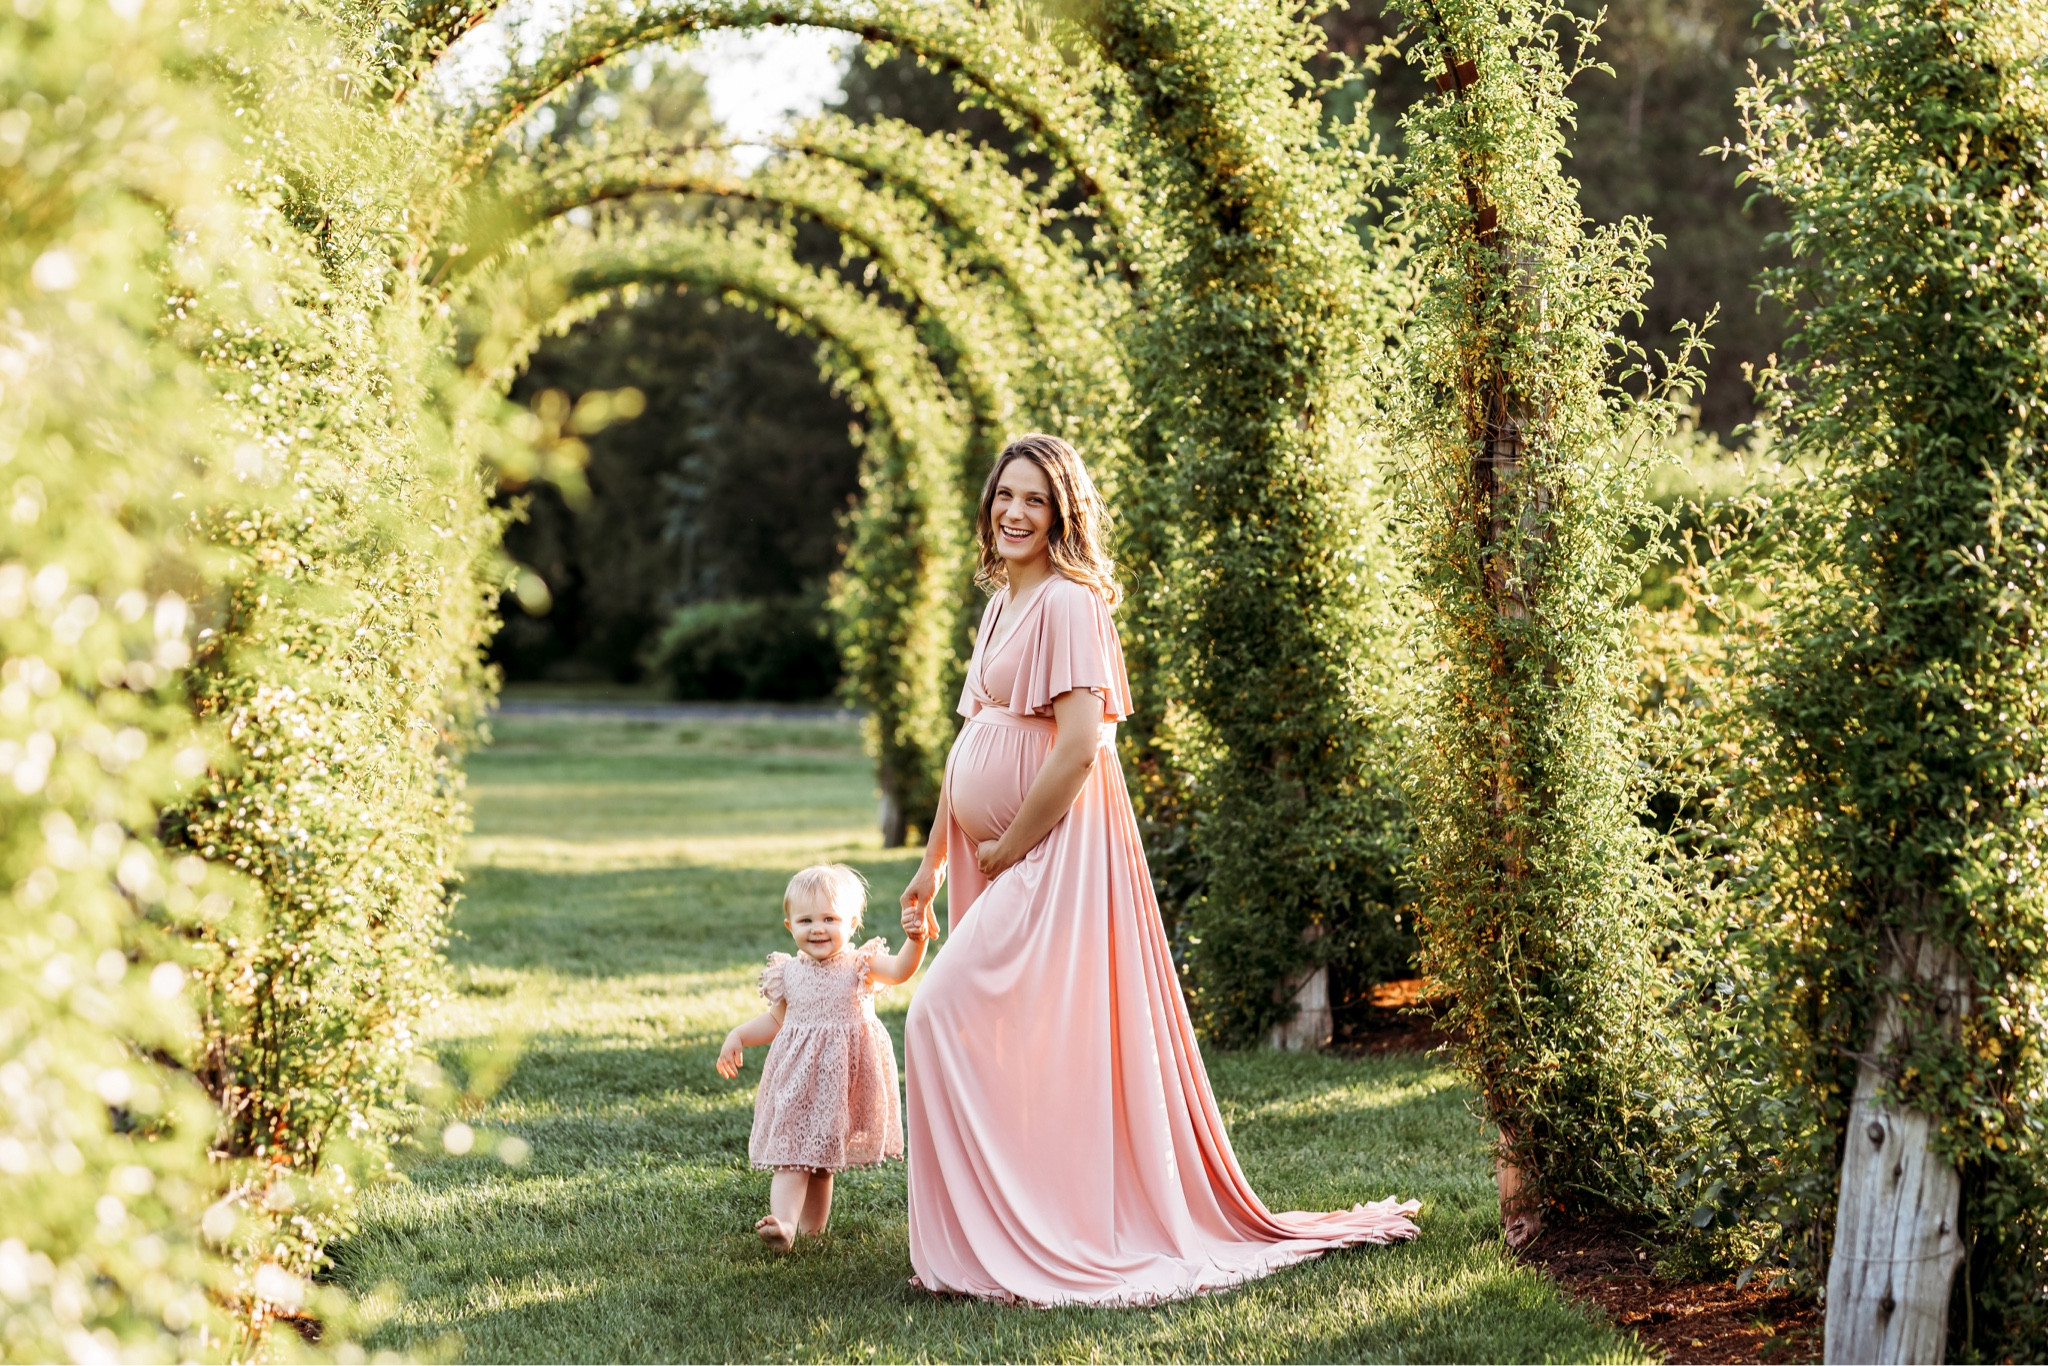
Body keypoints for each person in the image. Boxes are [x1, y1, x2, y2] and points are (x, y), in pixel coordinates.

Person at [897, 433, 1419, 1306]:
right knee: (996, 1040)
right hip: (989, 857)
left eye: (1035, 499)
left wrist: (1008, 845)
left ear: (1062, 513)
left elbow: (1075, 751)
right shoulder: (999, 605)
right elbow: (971, 740)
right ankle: (997, 1232)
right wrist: (934, 867)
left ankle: (1022, 1235)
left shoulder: (1072, 605)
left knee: (938, 1017)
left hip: (1052, 851)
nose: (1015, 512)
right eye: (1006, 496)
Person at [718, 863, 929, 1252]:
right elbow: (774, 1021)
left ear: (852, 924)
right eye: (806, 920)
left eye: (829, 918)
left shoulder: (860, 966)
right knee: (792, 1152)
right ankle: (784, 1223)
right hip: (797, 1079)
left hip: (840, 1083)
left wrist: (916, 940)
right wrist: (739, 1036)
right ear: (789, 926)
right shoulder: (789, 973)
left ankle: (811, 1233)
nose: (817, 928)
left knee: (820, 1161)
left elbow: (901, 970)